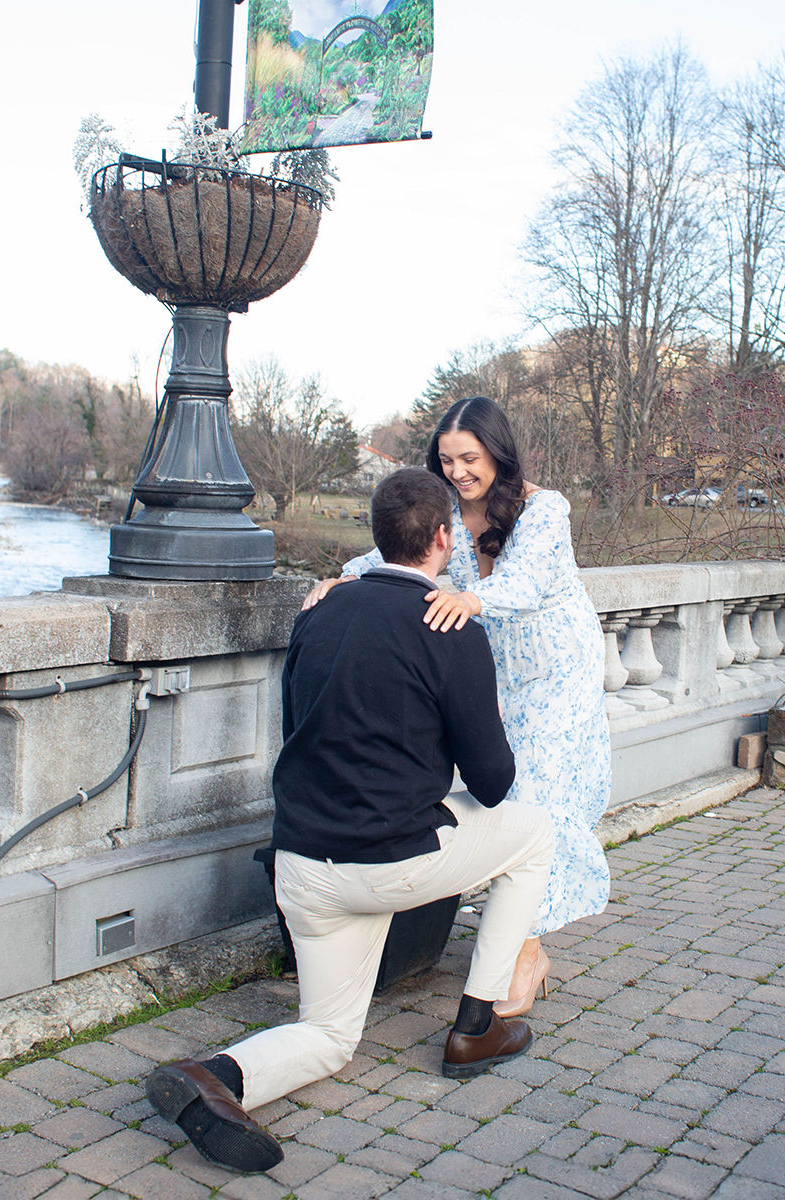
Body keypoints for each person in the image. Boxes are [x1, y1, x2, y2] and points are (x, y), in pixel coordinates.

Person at [144, 467, 556, 1174]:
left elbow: (298, 728)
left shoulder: (319, 611)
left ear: (376, 538)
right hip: (387, 863)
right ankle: (478, 1023)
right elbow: (493, 783)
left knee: (331, 1037)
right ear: (442, 539)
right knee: (534, 833)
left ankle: (217, 1076)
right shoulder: (449, 624)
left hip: (302, 862)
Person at [305, 395, 612, 1018]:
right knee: (503, 798)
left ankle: (525, 953)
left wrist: (470, 601)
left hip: (557, 671)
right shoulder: (444, 508)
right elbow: (387, 557)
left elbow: (523, 584)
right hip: (498, 669)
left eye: (469, 458)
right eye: (446, 460)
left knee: (541, 799)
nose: (458, 472)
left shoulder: (544, 509)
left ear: (497, 452)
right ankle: (510, 932)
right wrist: (340, 580)